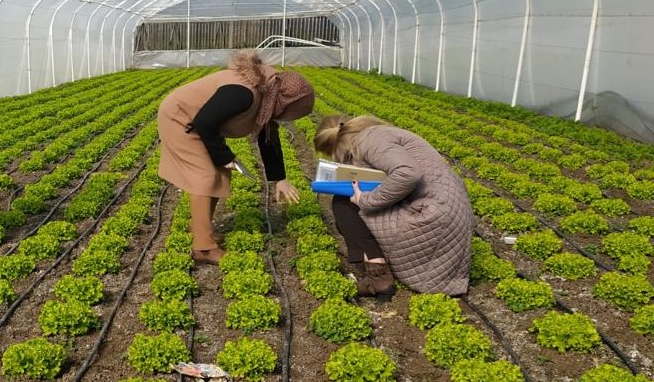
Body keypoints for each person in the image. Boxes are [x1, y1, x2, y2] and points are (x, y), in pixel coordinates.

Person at [157, 51, 315, 265]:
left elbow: (268, 137)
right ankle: (203, 248)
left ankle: (201, 230)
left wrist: (281, 179)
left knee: (219, 175)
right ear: (283, 102)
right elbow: (204, 122)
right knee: (205, 177)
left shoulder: (268, 88)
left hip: (199, 123)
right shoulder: (244, 93)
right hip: (181, 119)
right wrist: (224, 156)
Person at [313, 114, 473, 299]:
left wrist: (366, 200)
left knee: (344, 203)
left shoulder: (368, 142)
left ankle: (378, 277)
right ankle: (384, 263)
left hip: (432, 217)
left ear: (335, 149)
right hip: (450, 215)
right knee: (356, 198)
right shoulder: (380, 134)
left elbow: (407, 174)